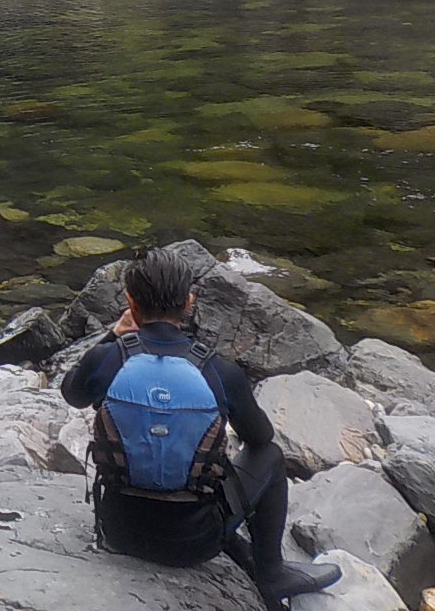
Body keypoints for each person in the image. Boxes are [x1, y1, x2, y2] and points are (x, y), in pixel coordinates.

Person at [61, 247, 342, 606]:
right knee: (270, 456)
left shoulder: (110, 359)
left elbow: (72, 393)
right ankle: (271, 573)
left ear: (130, 302)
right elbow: (261, 437)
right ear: (189, 302)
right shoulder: (218, 371)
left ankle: (250, 559)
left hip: (118, 532)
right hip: (196, 543)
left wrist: (113, 335)